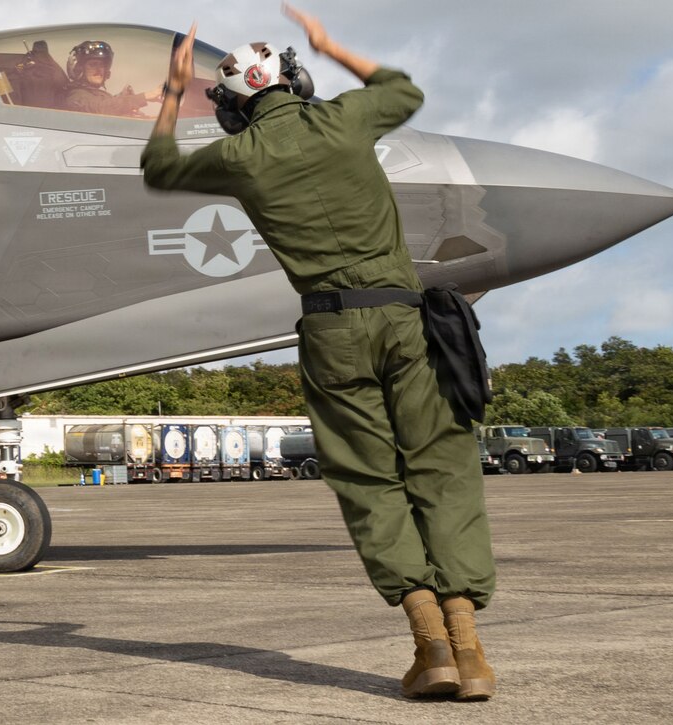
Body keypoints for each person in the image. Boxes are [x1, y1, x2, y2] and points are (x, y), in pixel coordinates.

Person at [141, 5, 496, 701]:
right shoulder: (343, 121)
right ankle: (471, 652)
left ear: (237, 106)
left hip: (332, 331)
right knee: (443, 468)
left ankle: (430, 647)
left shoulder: (237, 158)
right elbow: (405, 89)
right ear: (292, 81)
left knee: (369, 481)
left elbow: (159, 167)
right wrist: (334, 48)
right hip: (403, 319)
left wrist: (171, 90)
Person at [61, 39, 161, 116]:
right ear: (79, 69)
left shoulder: (94, 95)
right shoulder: (75, 96)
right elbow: (101, 108)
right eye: (93, 64)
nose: (99, 69)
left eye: (101, 65)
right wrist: (145, 96)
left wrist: (122, 97)